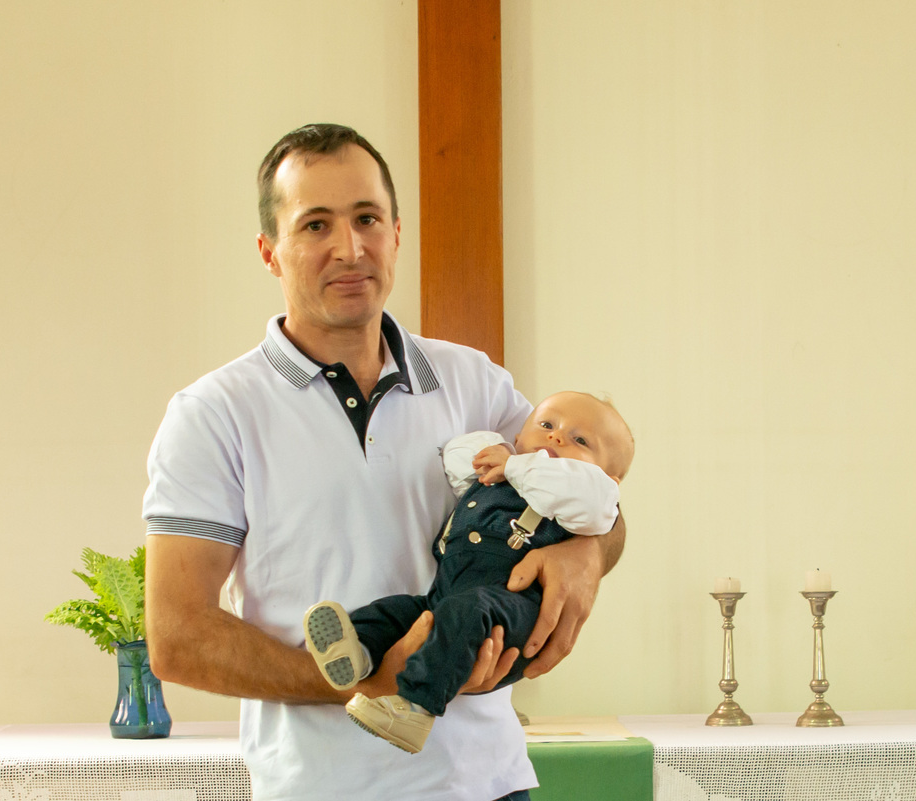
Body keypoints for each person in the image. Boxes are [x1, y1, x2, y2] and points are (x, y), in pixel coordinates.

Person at [141, 123, 626, 801]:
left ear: (397, 232)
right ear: (269, 252)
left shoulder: (474, 382)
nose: (350, 248)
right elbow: (177, 636)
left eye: (367, 218)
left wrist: (587, 554)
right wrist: (363, 676)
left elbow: (593, 494)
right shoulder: (214, 413)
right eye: (314, 225)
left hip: (485, 782)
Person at [304, 391, 634, 754]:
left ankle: (415, 709)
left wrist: (513, 464)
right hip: (448, 596)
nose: (556, 437)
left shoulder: (587, 495)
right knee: (399, 610)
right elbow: (458, 457)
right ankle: (359, 651)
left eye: (581, 440)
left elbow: (590, 499)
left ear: (610, 479)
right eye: (546, 425)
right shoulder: (503, 472)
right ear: (519, 436)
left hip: (512, 608)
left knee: (465, 613)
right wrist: (502, 454)